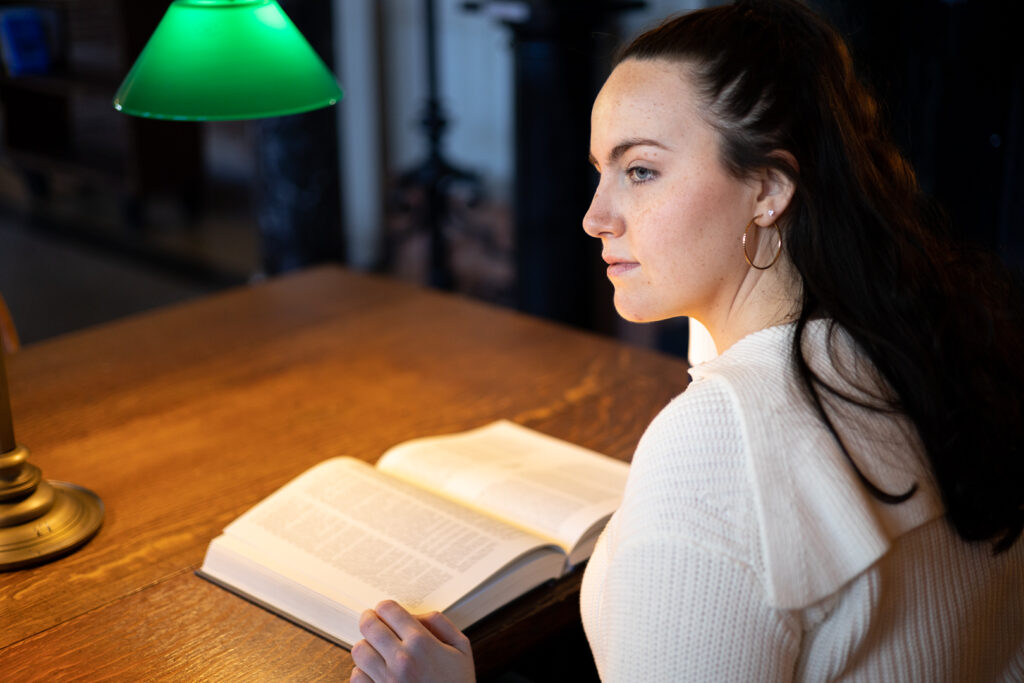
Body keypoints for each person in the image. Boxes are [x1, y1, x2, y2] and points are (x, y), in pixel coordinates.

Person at [350, 1, 1024, 680]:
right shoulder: (918, 343)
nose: (595, 216)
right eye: (600, 171)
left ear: (768, 188)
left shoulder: (718, 446)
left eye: (639, 170)